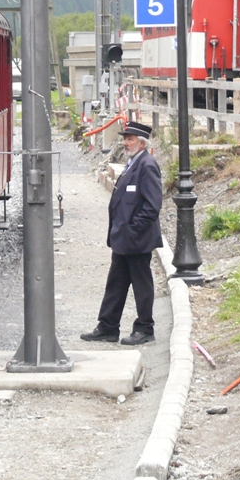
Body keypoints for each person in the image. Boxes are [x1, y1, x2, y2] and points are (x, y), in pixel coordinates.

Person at [81, 120, 163, 346]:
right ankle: (108, 326)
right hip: (124, 238)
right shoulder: (132, 163)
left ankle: (145, 328)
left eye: (130, 139)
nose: (126, 143)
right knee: (116, 283)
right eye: (125, 139)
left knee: (141, 283)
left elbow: (153, 205)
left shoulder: (147, 165)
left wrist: (134, 228)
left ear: (142, 143)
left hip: (137, 239)